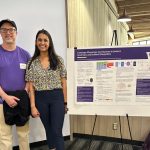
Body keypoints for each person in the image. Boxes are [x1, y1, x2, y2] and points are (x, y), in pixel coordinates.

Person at [25, 29, 67, 150]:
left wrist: (65, 102)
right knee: (48, 128)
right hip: (40, 98)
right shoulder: (31, 62)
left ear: (49, 43)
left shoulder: (58, 60)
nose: (42, 43)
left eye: (45, 40)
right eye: (40, 40)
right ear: (36, 42)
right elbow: (31, 87)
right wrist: (32, 106)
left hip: (57, 97)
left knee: (56, 130)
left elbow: (64, 83)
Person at [0, 19, 30, 150]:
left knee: (24, 136)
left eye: (11, 29)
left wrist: (23, 94)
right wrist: (6, 97)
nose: (8, 32)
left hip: (21, 100)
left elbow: (30, 79)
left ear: (16, 33)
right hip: (2, 101)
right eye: (4, 30)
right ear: (0, 33)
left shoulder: (25, 54)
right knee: (5, 138)